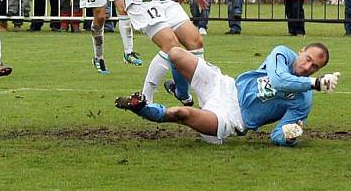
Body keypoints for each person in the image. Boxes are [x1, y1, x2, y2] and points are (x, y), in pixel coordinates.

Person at [115, 43, 338, 146]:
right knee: (175, 53)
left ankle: (140, 107)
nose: (308, 67)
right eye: (308, 59)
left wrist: (289, 135)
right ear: (300, 52)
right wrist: (315, 83)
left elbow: (276, 136)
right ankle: (181, 92)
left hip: (233, 117)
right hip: (225, 86)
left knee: (181, 114)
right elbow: (280, 79)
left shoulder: (303, 101)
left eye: (314, 67)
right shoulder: (283, 54)